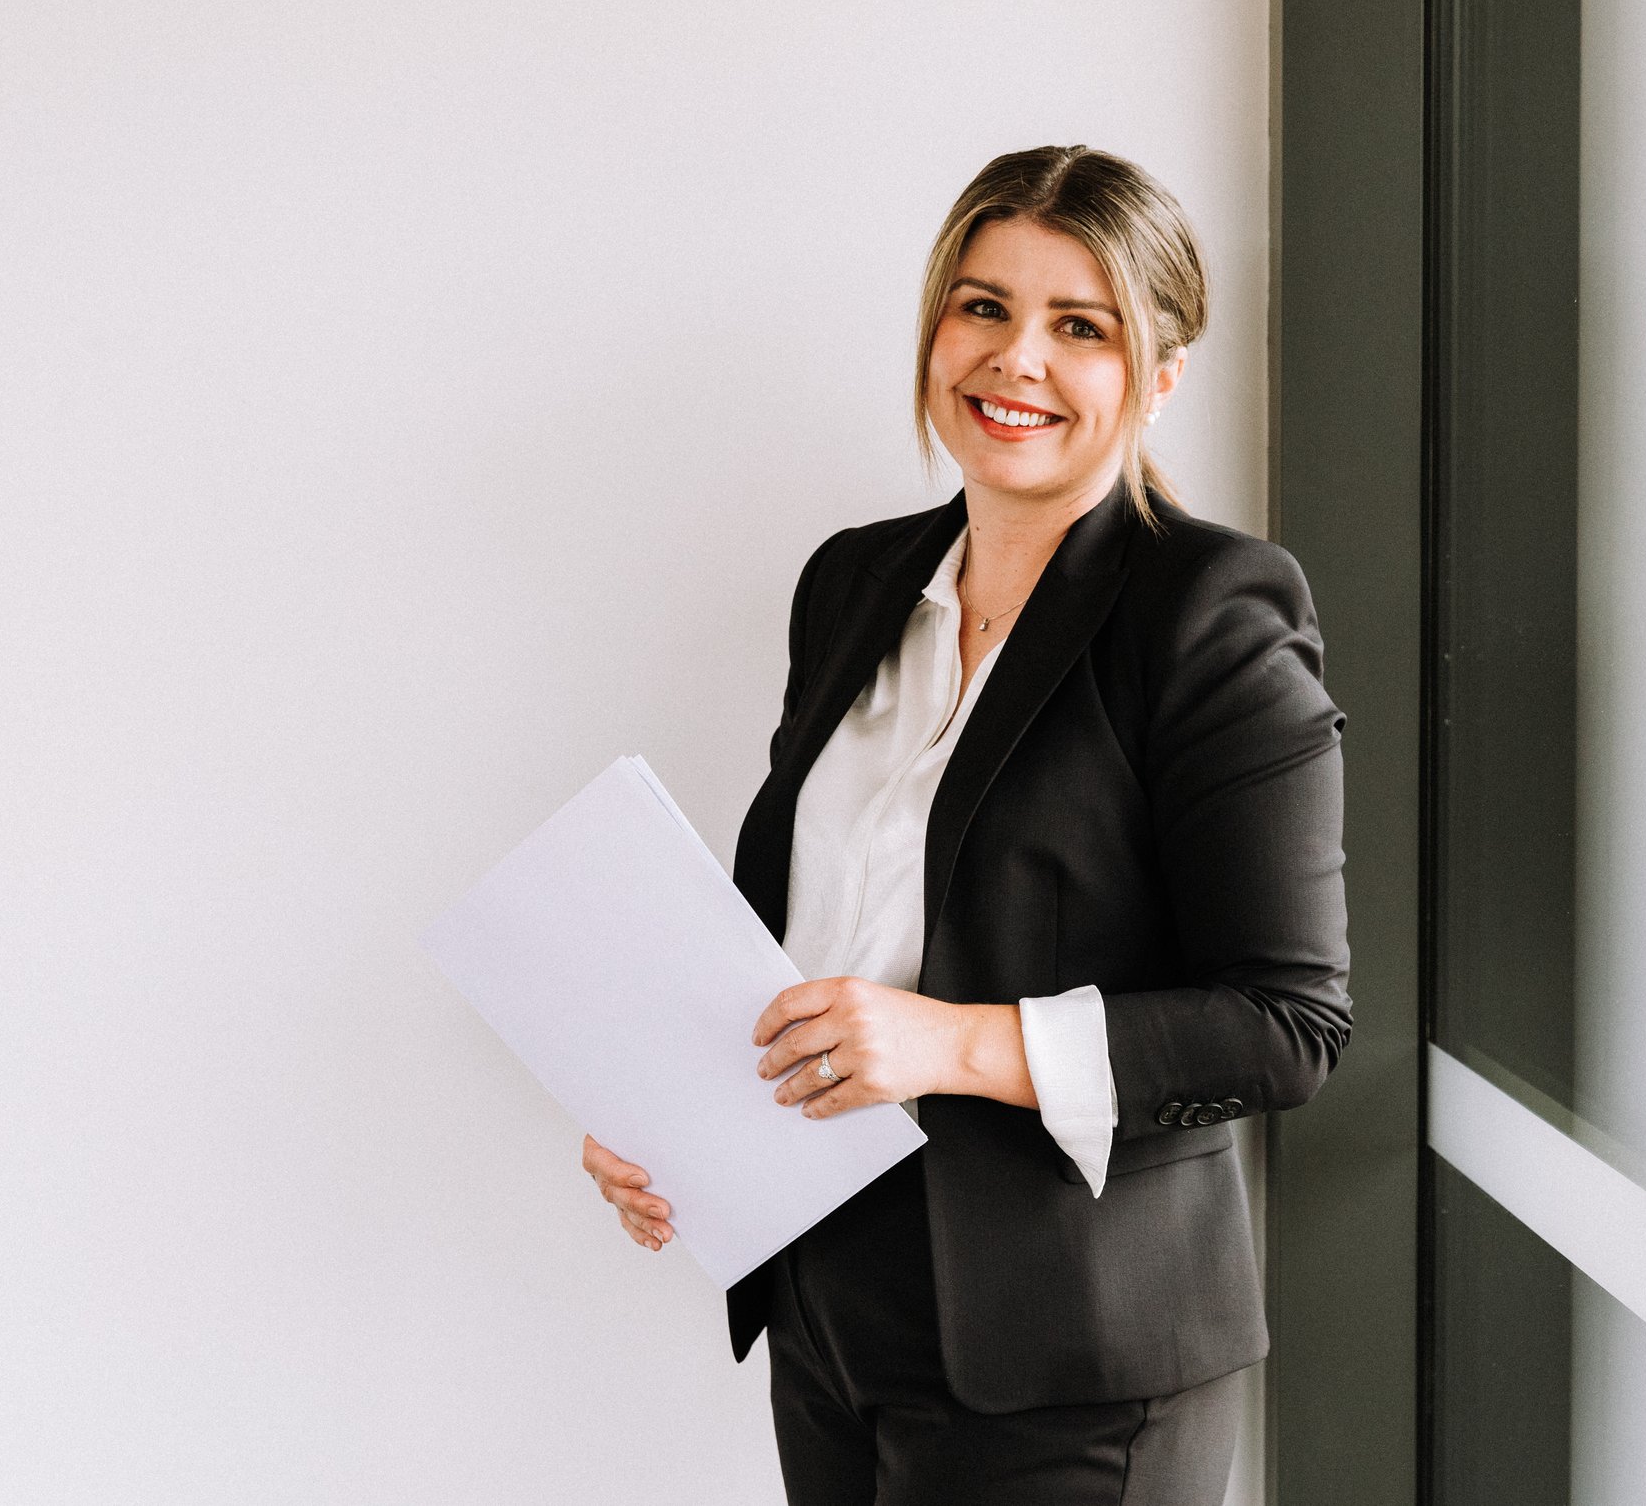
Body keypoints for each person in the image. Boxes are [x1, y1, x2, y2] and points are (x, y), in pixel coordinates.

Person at [579, 145, 1353, 1504]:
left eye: (1082, 325)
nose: (1017, 359)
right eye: (983, 306)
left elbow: (1286, 1023)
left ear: (1160, 374)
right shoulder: (856, 581)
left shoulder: (1208, 606)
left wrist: (955, 1040)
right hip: (828, 1290)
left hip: (1071, 1347)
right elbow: (814, 932)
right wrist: (678, 1120)